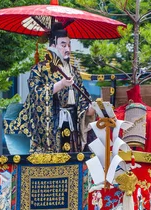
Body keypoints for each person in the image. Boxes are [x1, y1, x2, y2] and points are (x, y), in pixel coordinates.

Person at [7, 22, 94, 153]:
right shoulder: (40, 69)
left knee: (72, 157)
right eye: (63, 45)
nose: (68, 49)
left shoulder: (74, 71)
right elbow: (36, 93)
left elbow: (81, 96)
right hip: (50, 125)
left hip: (72, 123)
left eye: (69, 45)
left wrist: (88, 109)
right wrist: (60, 84)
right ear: (53, 45)